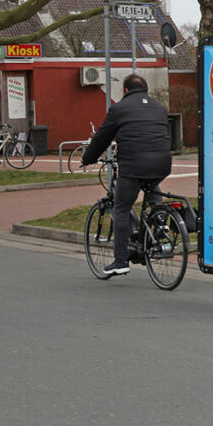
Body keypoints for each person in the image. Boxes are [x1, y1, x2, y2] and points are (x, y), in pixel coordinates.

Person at [82, 73, 172, 275]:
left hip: (133, 166)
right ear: (146, 90)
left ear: (125, 91)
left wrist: (88, 158)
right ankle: (160, 224)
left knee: (121, 209)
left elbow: (102, 137)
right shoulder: (160, 108)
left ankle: (121, 261)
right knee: (151, 186)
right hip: (162, 163)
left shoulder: (119, 109)